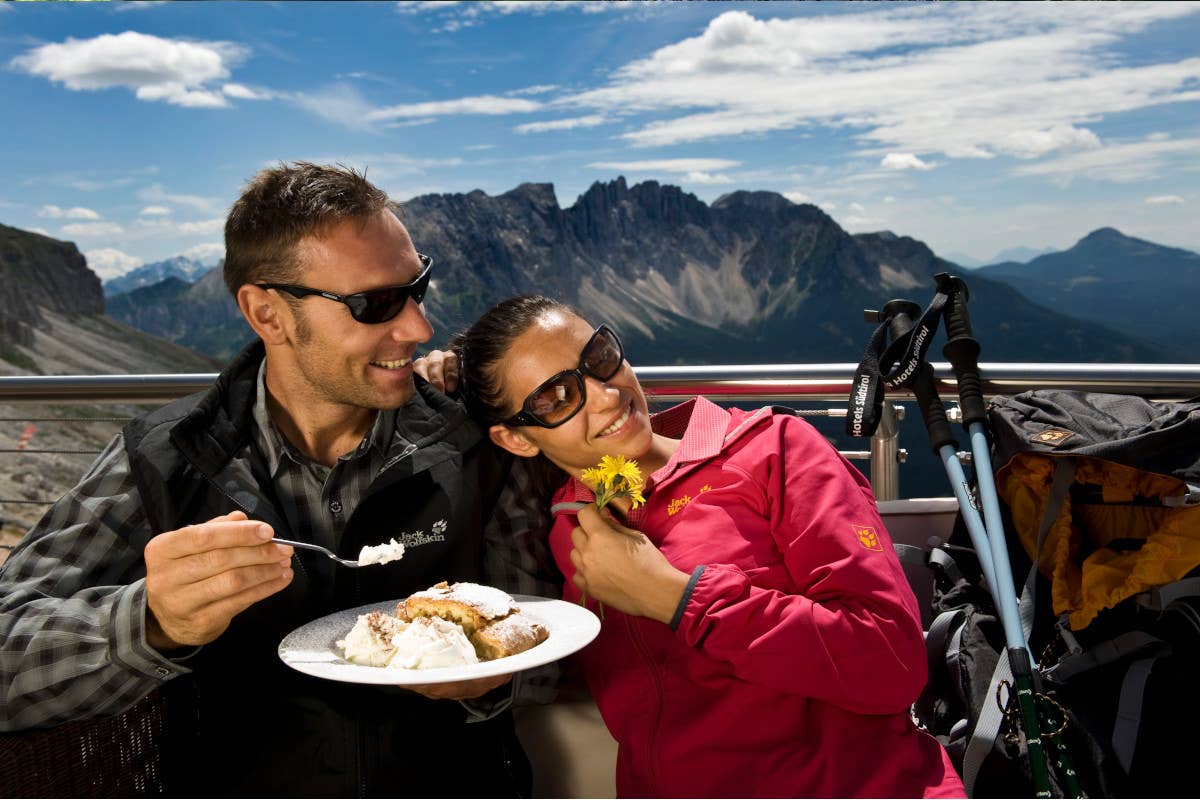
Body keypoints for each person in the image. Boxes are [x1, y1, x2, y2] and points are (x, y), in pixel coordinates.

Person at [0, 163, 558, 797]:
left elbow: (540, 633)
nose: (418, 328)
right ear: (267, 314)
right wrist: (150, 621)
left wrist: (490, 682)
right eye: (374, 303)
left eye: (417, 288)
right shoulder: (162, 459)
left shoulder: (474, 440)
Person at [453, 295, 966, 798]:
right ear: (516, 440)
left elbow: (892, 666)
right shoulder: (568, 524)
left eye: (601, 358)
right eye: (554, 398)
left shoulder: (775, 449)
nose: (607, 394)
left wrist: (680, 599)